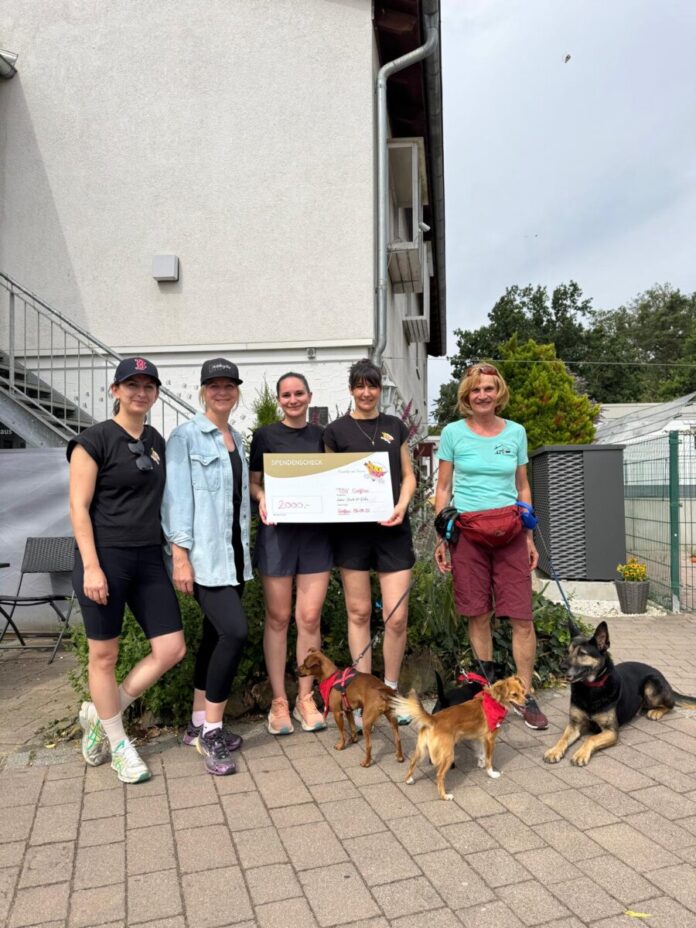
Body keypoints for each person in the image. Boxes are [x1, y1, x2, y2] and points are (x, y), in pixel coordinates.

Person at [69, 357, 186, 784]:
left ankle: (101, 714)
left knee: (171, 649)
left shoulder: (155, 440)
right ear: (115, 390)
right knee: (104, 655)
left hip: (148, 558)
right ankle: (119, 745)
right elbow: (78, 507)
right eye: (131, 384)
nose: (141, 392)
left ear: (155, 393)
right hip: (105, 559)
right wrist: (92, 566)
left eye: (148, 386)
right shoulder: (93, 440)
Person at [434, 363, 548, 730]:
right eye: (475, 389)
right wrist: (442, 536)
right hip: (468, 534)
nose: (482, 395)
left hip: (510, 533)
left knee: (522, 617)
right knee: (478, 614)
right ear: (466, 396)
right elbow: (443, 488)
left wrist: (529, 536)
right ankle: (488, 691)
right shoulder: (452, 433)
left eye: (489, 388)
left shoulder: (516, 432)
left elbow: (523, 486)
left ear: (499, 393)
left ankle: (524, 693)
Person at [161, 358, 252, 775]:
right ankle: (212, 732)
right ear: (203, 391)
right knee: (235, 632)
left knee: (215, 636)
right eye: (214, 385)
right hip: (204, 559)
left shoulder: (237, 439)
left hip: (234, 557)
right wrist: (180, 556)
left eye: (228, 385)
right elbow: (175, 500)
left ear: (236, 391)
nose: (222, 391)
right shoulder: (185, 437)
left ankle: (198, 721)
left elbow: (239, 499)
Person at [323, 358, 416, 718]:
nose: (366, 392)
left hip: (393, 532)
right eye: (360, 386)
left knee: (396, 617)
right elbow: (329, 482)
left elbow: (408, 476)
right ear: (351, 389)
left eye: (372, 385)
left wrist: (402, 506)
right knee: (359, 612)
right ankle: (363, 694)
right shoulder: (335, 432)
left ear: (379, 389)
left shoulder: (395, 426)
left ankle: (389, 691)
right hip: (352, 535)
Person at [249, 372, 332, 735]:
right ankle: (279, 701)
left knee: (309, 618)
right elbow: (253, 482)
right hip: (278, 536)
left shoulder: (323, 436)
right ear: (279, 399)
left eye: (299, 393)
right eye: (286, 395)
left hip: (316, 536)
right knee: (278, 617)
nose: (293, 399)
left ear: (309, 396)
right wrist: (262, 496)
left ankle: (305, 698)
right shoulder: (265, 436)